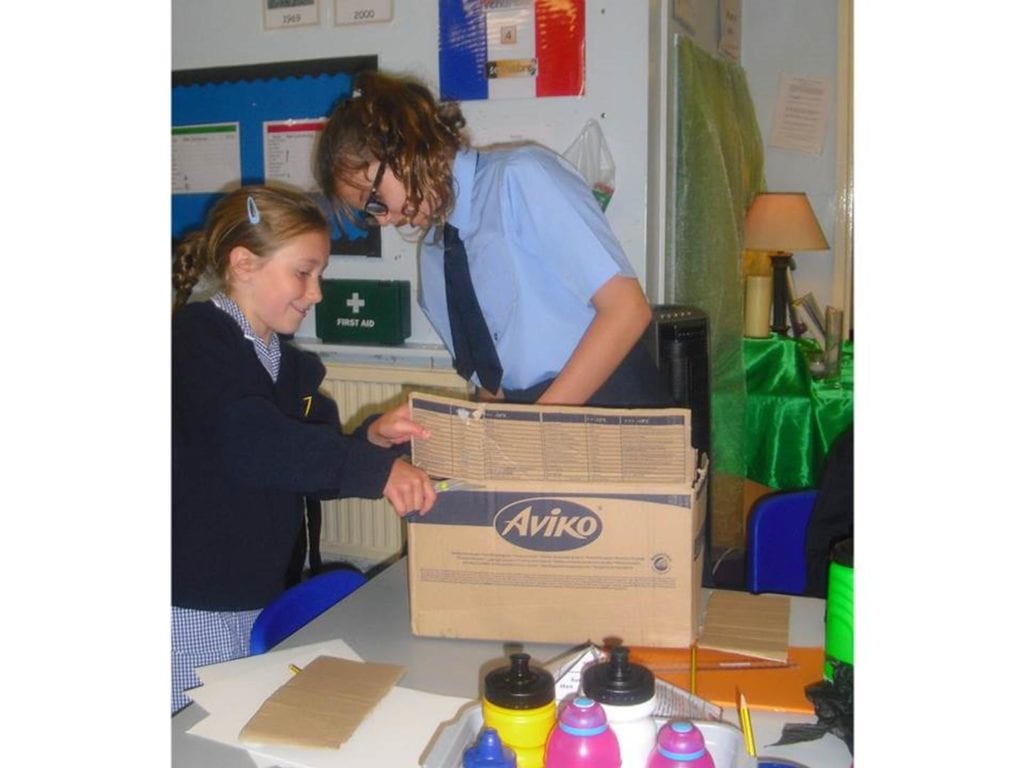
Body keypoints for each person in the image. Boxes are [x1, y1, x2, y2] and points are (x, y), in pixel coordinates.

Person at [171, 184, 437, 713]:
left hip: (258, 588)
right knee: (190, 730)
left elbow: (306, 461)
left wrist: (371, 439)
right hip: (194, 599)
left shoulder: (288, 364)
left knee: (240, 719)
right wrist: (375, 471)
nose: (316, 293)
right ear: (243, 264)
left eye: (320, 275)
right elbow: (253, 443)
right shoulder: (196, 341)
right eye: (303, 272)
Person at [315, 71, 673, 407]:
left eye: (374, 199)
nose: (382, 220)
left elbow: (627, 310)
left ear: (405, 149)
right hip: (531, 415)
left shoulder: (521, 179)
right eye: (368, 213)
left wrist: (535, 427)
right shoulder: (435, 254)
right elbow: (489, 379)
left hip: (608, 398)